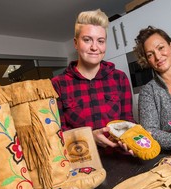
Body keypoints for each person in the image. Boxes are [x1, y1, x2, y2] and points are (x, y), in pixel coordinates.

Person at [51, 9, 135, 149]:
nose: (94, 47)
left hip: (120, 157)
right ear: (76, 43)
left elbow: (128, 121)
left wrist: (134, 140)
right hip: (82, 161)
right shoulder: (58, 85)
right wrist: (90, 137)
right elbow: (58, 134)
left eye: (100, 41)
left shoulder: (119, 78)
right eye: (87, 40)